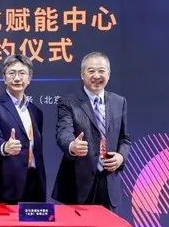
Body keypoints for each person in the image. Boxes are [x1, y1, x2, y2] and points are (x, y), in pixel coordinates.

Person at [52, 51, 130, 210]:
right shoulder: (68, 102)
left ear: (109, 74)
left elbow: (125, 138)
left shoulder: (119, 102)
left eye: (101, 71)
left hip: (108, 182)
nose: (96, 76)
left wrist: (121, 157)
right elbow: (63, 132)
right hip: (78, 182)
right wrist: (72, 145)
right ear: (82, 75)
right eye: (91, 71)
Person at [0, 54, 46, 204]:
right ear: (4, 78)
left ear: (29, 78)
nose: (17, 78)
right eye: (12, 73)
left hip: (34, 183)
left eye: (22, 73)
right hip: (4, 184)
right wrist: (5, 147)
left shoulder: (36, 111)